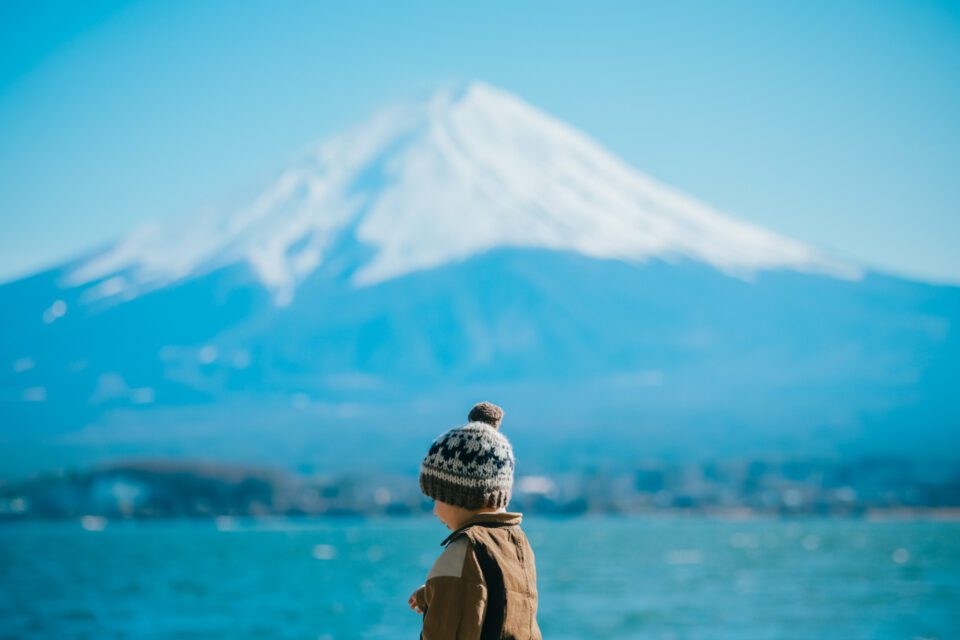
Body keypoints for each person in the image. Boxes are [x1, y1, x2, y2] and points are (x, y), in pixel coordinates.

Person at [408, 402, 542, 639]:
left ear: (458, 496)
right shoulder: (516, 543)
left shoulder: (463, 550)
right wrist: (432, 592)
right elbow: (496, 597)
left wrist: (442, 588)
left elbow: (446, 629)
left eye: (435, 499)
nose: (435, 512)